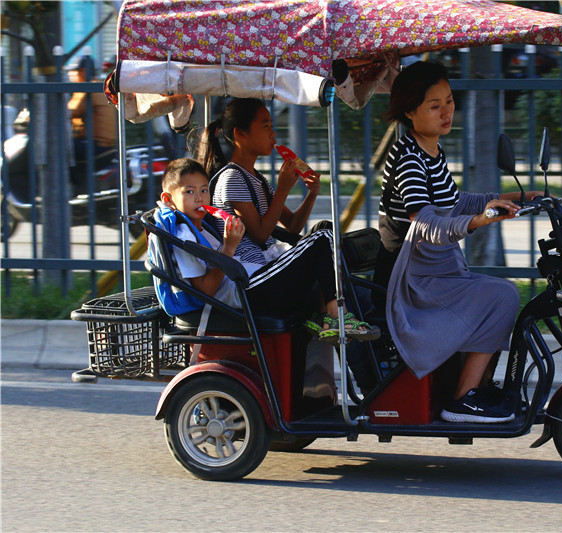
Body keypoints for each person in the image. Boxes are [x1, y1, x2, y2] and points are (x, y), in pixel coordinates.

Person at [378, 61, 542, 424]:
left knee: (502, 294)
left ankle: (478, 388)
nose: (446, 111)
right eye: (434, 106)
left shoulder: (432, 151)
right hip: (412, 281)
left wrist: (514, 196)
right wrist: (480, 220)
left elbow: (455, 200)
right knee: (500, 296)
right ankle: (462, 399)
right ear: (410, 112)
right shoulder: (407, 158)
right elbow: (427, 224)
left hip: (438, 271)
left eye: (449, 101)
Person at [195, 98, 378, 342]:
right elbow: (260, 235)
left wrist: (311, 193)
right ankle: (335, 314)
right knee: (323, 237)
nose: (274, 134)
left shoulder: (256, 178)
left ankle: (325, 314)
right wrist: (282, 190)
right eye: (266, 126)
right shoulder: (231, 179)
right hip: (253, 279)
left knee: (324, 229)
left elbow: (292, 226)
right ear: (240, 134)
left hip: (269, 269)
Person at [156, 158, 245, 309]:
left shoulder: (202, 228)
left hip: (236, 288)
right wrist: (229, 248)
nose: (199, 198)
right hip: (225, 299)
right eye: (189, 192)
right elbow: (205, 291)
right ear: (168, 199)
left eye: (204, 190)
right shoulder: (184, 237)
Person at [67, 56, 117, 170]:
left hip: (94, 145)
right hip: (108, 146)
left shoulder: (86, 89)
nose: (70, 74)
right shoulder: (100, 85)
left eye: (73, 71)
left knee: (58, 146)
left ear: (83, 71)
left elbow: (69, 112)